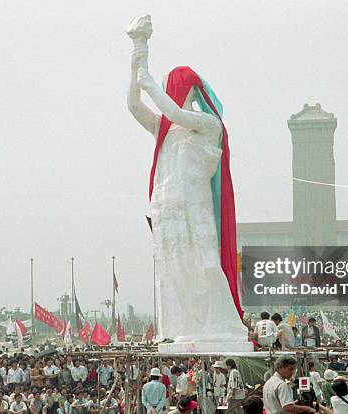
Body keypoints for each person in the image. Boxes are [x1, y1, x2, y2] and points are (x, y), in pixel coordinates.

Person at [127, 16, 248, 343]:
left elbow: (176, 113)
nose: (166, 90)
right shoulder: (162, 131)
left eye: (169, 86)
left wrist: (149, 80)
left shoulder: (208, 125)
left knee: (205, 266)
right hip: (166, 207)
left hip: (194, 207)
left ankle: (218, 325)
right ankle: (182, 329)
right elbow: (133, 105)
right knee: (173, 270)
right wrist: (138, 52)